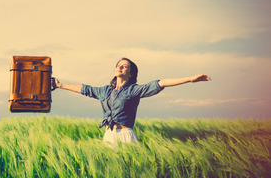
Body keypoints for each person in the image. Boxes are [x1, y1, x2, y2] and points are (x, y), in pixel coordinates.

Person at [51, 57, 211, 147]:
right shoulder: (105, 91)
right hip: (108, 135)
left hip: (126, 135)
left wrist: (190, 79)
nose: (120, 67)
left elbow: (160, 83)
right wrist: (60, 85)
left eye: (125, 66)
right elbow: (84, 89)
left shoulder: (134, 90)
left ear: (131, 73)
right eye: (118, 65)